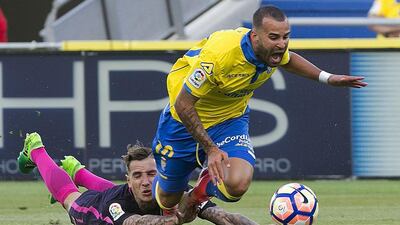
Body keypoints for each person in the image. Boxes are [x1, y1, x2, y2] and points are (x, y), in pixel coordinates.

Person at [151, 5, 368, 214]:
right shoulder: (221, 55)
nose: (282, 44)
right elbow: (183, 104)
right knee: (166, 199)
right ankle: (149, 185)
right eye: (274, 37)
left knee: (237, 185)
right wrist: (211, 148)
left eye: (286, 37)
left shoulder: (271, 50)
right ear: (255, 36)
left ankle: (198, 193)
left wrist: (328, 78)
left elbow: (288, 59)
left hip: (229, 120)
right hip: (183, 123)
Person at [17, 132, 259, 225]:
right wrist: (178, 217)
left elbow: (224, 217)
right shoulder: (114, 204)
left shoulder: (173, 189)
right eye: (137, 175)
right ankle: (36, 149)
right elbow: (139, 222)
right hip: (95, 212)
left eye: (152, 174)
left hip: (127, 199)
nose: (145, 181)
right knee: (71, 199)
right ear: (128, 178)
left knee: (140, 194)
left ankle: (77, 170)